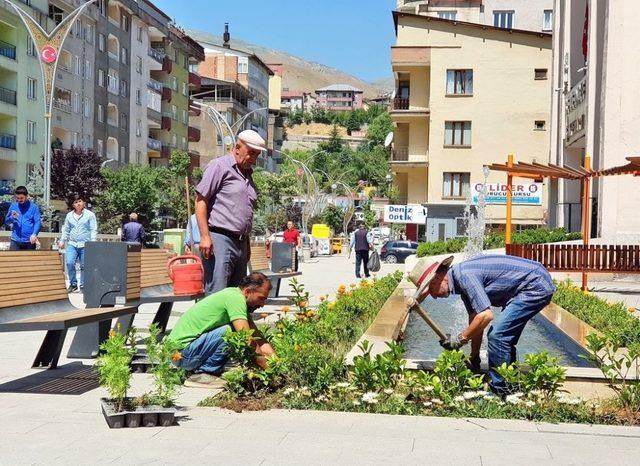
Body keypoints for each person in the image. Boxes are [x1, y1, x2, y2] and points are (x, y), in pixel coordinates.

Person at [408, 254, 556, 395]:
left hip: (535, 285)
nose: (433, 297)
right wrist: (474, 356)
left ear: (438, 278)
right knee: (503, 338)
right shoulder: (461, 280)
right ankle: (510, 387)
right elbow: (476, 320)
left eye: (431, 290)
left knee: (498, 336)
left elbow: (486, 316)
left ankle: (500, 392)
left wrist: (459, 339)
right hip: (530, 284)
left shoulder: (464, 276)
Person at [168, 272, 276, 388]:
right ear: (247, 291)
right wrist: (268, 369)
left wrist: (278, 362)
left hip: (182, 353)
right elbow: (247, 339)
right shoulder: (235, 299)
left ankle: (201, 370)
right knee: (231, 332)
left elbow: (258, 338)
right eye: (261, 298)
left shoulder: (235, 296)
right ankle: (205, 374)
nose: (262, 304)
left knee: (235, 330)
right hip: (181, 355)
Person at [195, 130, 265, 295]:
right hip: (220, 240)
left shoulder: (247, 174)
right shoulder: (219, 166)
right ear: (237, 147)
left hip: (240, 243)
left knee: (236, 296)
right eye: (251, 153)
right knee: (217, 295)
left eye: (257, 155)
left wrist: (246, 243)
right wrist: (205, 236)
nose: (253, 159)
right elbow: (200, 201)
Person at [59, 195, 98, 293]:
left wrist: (93, 241)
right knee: (69, 263)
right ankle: (73, 284)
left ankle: (83, 286)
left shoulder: (90, 215)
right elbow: (66, 230)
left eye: (80, 201)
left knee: (84, 266)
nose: (78, 203)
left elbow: (93, 229)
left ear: (84, 203)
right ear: (73, 205)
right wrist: (62, 241)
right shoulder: (69, 216)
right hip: (72, 244)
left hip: (85, 244)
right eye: (76, 202)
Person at [4, 186, 40, 250]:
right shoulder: (13, 206)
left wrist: (34, 234)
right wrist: (12, 218)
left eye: (21, 198)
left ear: (26, 196)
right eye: (17, 198)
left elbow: (37, 222)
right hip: (15, 241)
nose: (19, 200)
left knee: (29, 260)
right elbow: (6, 221)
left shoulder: (34, 207)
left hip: (29, 242)